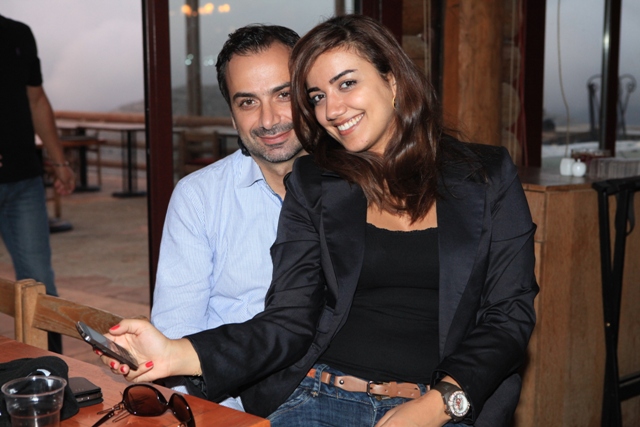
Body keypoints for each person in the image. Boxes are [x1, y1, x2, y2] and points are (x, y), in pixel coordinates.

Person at [100, 14, 538, 427]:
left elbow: (509, 314)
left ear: (392, 80)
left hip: (440, 404)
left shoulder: (485, 175)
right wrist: (175, 353)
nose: (332, 109)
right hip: (322, 398)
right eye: (317, 97)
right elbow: (288, 318)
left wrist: (438, 405)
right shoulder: (315, 182)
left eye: (346, 83)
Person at [149, 25, 304, 410]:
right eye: (248, 102)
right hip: (231, 407)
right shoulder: (199, 197)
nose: (269, 119)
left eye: (283, 94)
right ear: (232, 117)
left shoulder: (358, 187)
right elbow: (176, 335)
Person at [0, 15, 75, 354]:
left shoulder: (18, 34)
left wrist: (59, 163)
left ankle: (50, 367)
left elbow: (36, 100)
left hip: (24, 182)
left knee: (39, 282)